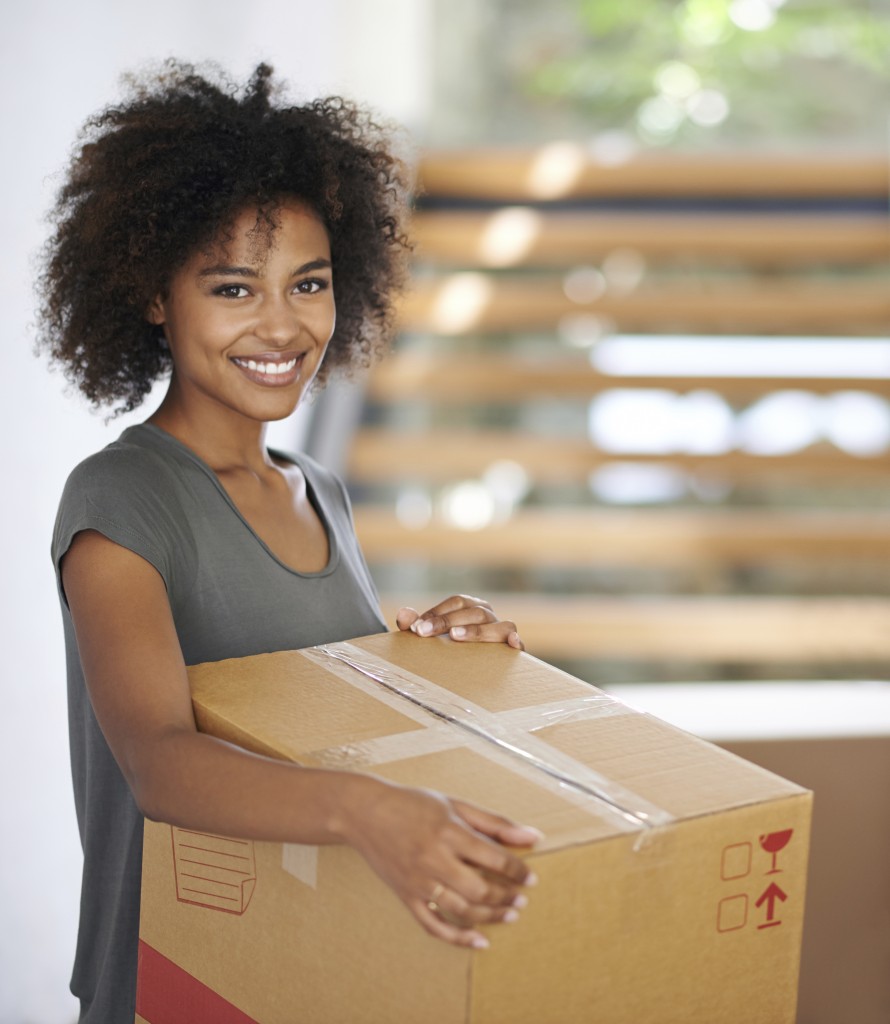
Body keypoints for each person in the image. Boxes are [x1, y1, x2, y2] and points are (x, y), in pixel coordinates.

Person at [38, 61, 540, 1024]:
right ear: (152, 295)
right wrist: (366, 809)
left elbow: (314, 710)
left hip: (309, 976)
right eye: (234, 288)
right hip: (175, 987)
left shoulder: (320, 492)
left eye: (308, 283)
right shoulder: (120, 500)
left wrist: (434, 659)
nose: (283, 324)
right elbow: (158, 762)